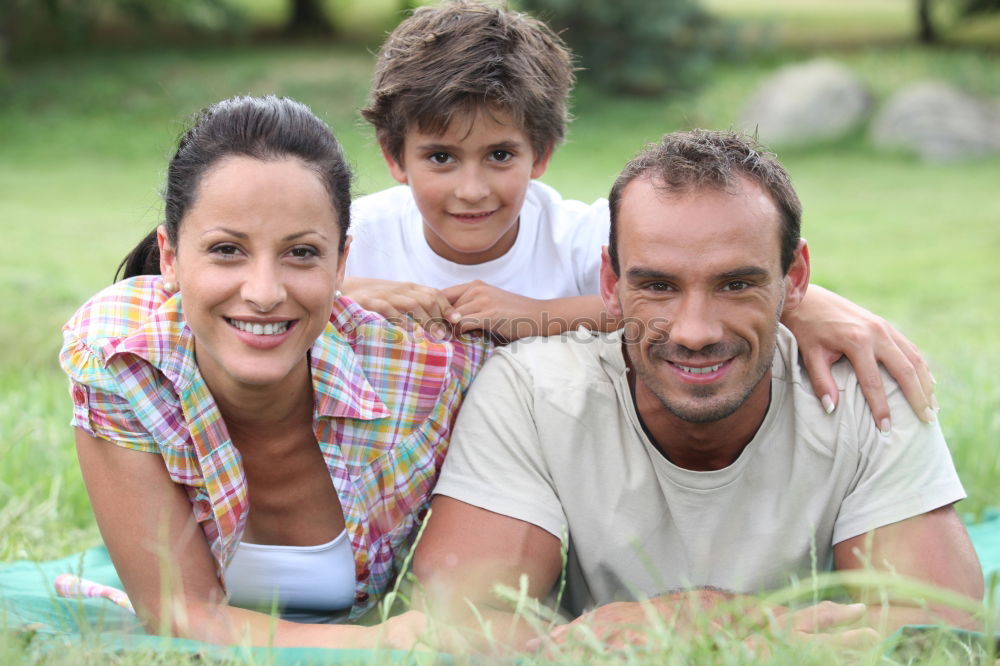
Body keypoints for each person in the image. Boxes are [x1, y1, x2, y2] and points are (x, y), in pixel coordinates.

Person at [411, 130, 984, 651]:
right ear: (610, 285)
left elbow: (940, 630)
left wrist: (693, 624)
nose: (694, 331)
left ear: (797, 279)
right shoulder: (531, 393)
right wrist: (761, 633)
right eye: (658, 286)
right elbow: (463, 626)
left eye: (737, 284)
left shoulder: (865, 388)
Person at [344, 0, 935, 430]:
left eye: (500, 155)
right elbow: (270, 289)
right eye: (441, 157)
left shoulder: (578, 233)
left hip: (554, 460)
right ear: (396, 157)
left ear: (541, 154)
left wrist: (537, 314)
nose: (471, 189)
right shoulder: (356, 236)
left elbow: (693, 276)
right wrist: (344, 298)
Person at [58, 95, 490, 647]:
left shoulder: (424, 377)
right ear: (169, 258)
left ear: (341, 263)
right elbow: (178, 610)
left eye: (302, 254)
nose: (264, 293)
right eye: (227, 250)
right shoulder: (123, 358)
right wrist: (377, 645)